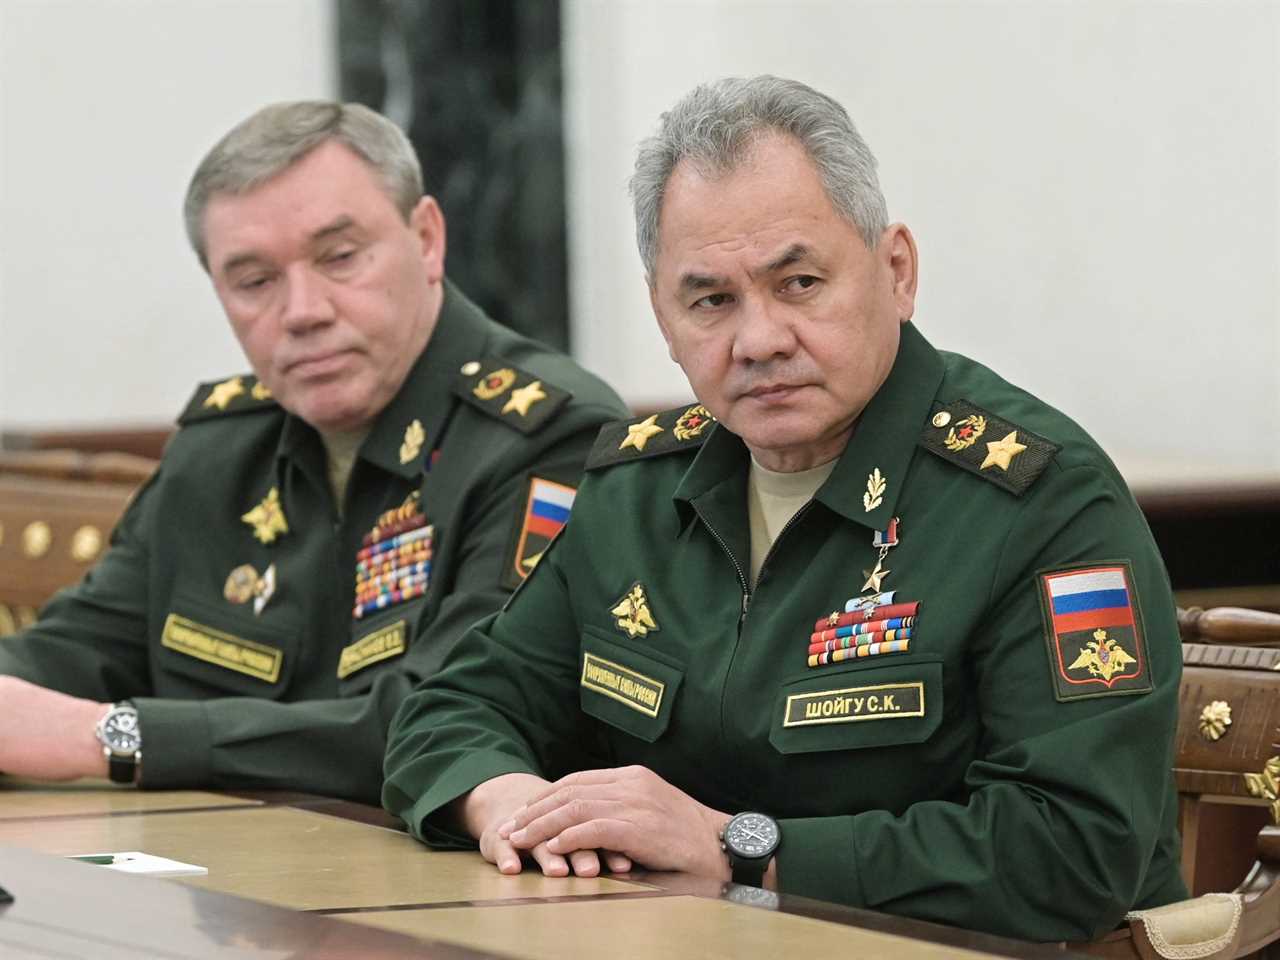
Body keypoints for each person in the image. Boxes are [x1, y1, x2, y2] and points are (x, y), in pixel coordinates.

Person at [382, 76, 1188, 941]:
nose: (759, 339)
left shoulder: (1040, 500)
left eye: (799, 283)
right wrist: (516, 808)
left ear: (896, 271)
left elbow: (1074, 851)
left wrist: (738, 852)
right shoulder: (637, 488)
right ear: (663, 315)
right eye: (711, 301)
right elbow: (453, 708)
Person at [0, 101, 627, 804]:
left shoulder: (548, 436)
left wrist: (117, 738)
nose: (303, 311)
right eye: (254, 281)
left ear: (426, 238)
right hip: (215, 878)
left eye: (339, 258)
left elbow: (441, 725)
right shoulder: (223, 446)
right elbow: (74, 652)